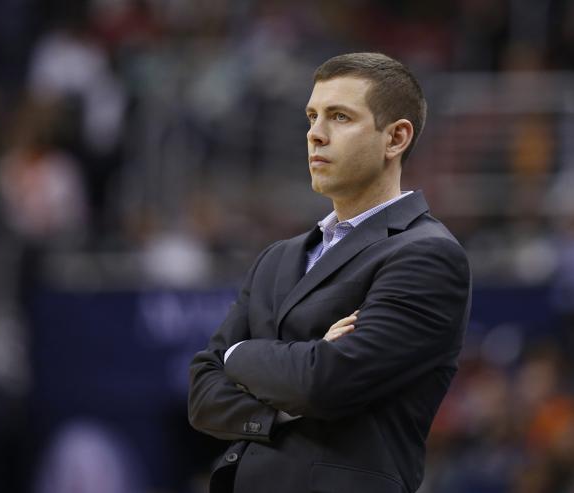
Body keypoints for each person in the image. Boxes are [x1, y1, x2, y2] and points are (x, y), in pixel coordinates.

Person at [188, 52, 472, 493]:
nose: (315, 135)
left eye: (339, 117)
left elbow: (324, 383)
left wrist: (238, 355)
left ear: (395, 138)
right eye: (312, 116)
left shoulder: (427, 256)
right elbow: (202, 395)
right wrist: (288, 390)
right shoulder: (276, 258)